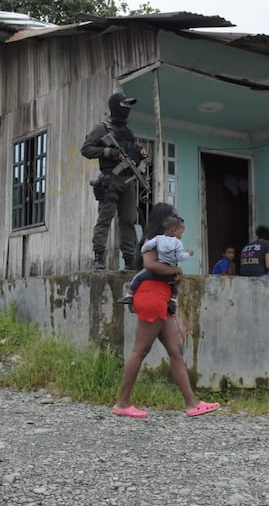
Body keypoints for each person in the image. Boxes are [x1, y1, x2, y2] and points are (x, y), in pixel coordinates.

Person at [112, 202, 220, 419]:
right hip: (152, 297)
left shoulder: (167, 243)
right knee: (140, 350)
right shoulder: (152, 243)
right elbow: (150, 266)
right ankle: (122, 403)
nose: (178, 221)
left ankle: (192, 403)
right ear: (165, 222)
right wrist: (177, 269)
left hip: (160, 298)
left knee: (176, 350)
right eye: (174, 217)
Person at [81, 91, 150, 270]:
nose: (127, 108)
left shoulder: (127, 132)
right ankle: (99, 257)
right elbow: (86, 149)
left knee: (128, 220)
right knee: (105, 219)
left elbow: (132, 153)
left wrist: (141, 154)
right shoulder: (102, 128)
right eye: (125, 105)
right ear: (115, 106)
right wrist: (109, 153)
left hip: (128, 181)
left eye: (129, 105)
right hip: (110, 180)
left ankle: (129, 260)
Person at [117, 215, 193, 312]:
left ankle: (129, 295)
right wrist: (188, 253)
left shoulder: (158, 239)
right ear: (175, 231)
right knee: (176, 285)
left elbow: (147, 246)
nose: (181, 235)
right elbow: (181, 257)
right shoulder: (177, 243)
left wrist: (143, 251)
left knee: (138, 277)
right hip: (169, 273)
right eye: (181, 232)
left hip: (155, 272)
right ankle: (172, 301)